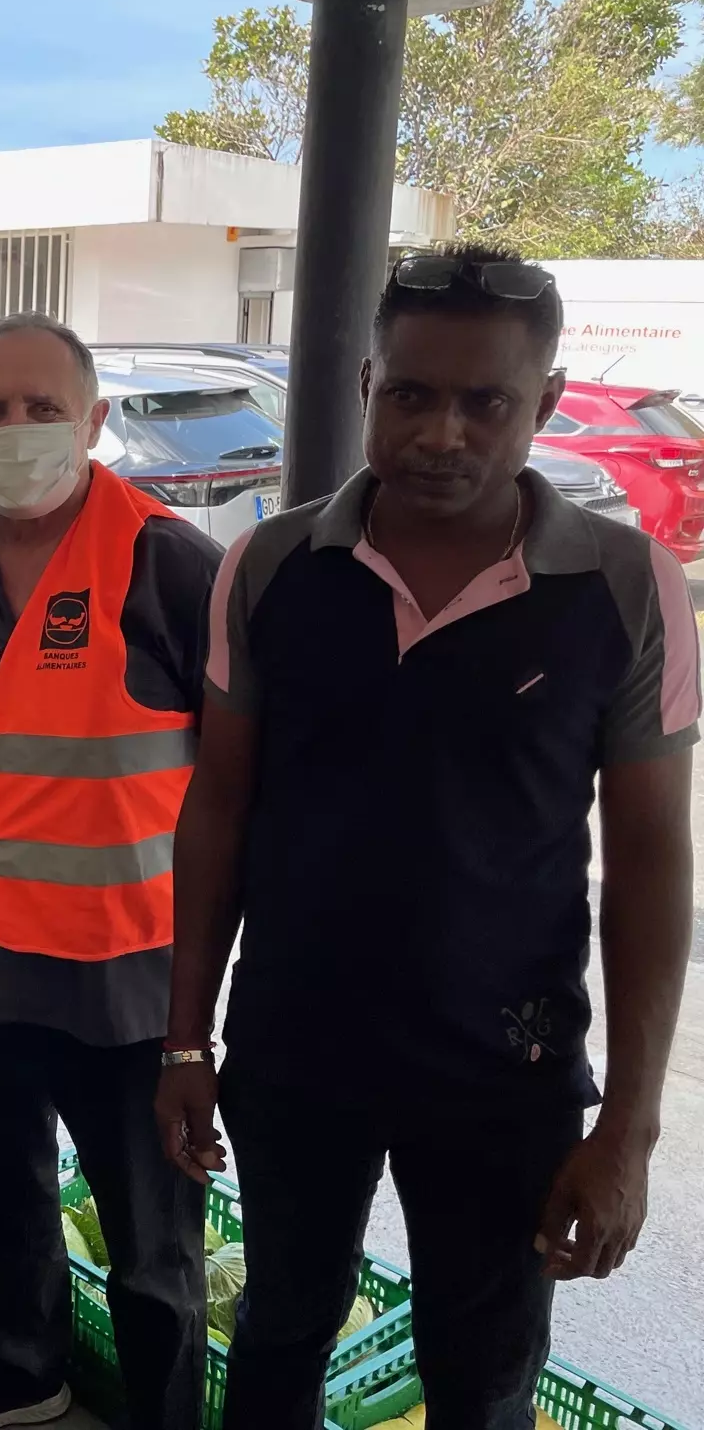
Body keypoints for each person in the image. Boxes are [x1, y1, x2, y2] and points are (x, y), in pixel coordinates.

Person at [156, 245, 698, 1430]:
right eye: (411, 394)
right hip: (297, 1052)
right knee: (284, 1326)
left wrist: (629, 1129)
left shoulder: (624, 584)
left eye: (485, 402)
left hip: (505, 1072)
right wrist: (186, 1043)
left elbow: (653, 862)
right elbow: (221, 809)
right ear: (366, 387)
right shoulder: (271, 566)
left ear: (543, 406)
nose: (442, 432)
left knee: (485, 1368)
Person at [0, 311, 216, 1430]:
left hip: (122, 967)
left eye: (42, 409)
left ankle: (166, 1410)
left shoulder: (166, 561)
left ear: (95, 422)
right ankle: (17, 1367)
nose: (16, 429)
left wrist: (206, 1004)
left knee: (149, 1228)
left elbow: (243, 784)